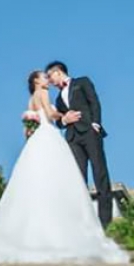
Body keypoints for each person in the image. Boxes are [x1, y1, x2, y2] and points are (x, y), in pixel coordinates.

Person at [0, 70, 128, 264]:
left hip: (38, 138)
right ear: (37, 81)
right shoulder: (43, 93)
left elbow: (29, 124)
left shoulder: (32, 98)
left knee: (40, 179)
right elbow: (49, 114)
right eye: (43, 77)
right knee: (59, 178)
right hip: (48, 136)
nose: (46, 79)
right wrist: (65, 116)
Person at [47, 61, 115, 229]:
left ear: (58, 72)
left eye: (50, 76)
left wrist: (96, 124)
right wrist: (64, 119)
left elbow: (94, 102)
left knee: (100, 174)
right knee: (77, 179)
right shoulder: (58, 98)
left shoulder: (82, 82)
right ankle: (83, 224)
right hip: (73, 139)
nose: (49, 81)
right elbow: (59, 122)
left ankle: (105, 223)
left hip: (90, 132)